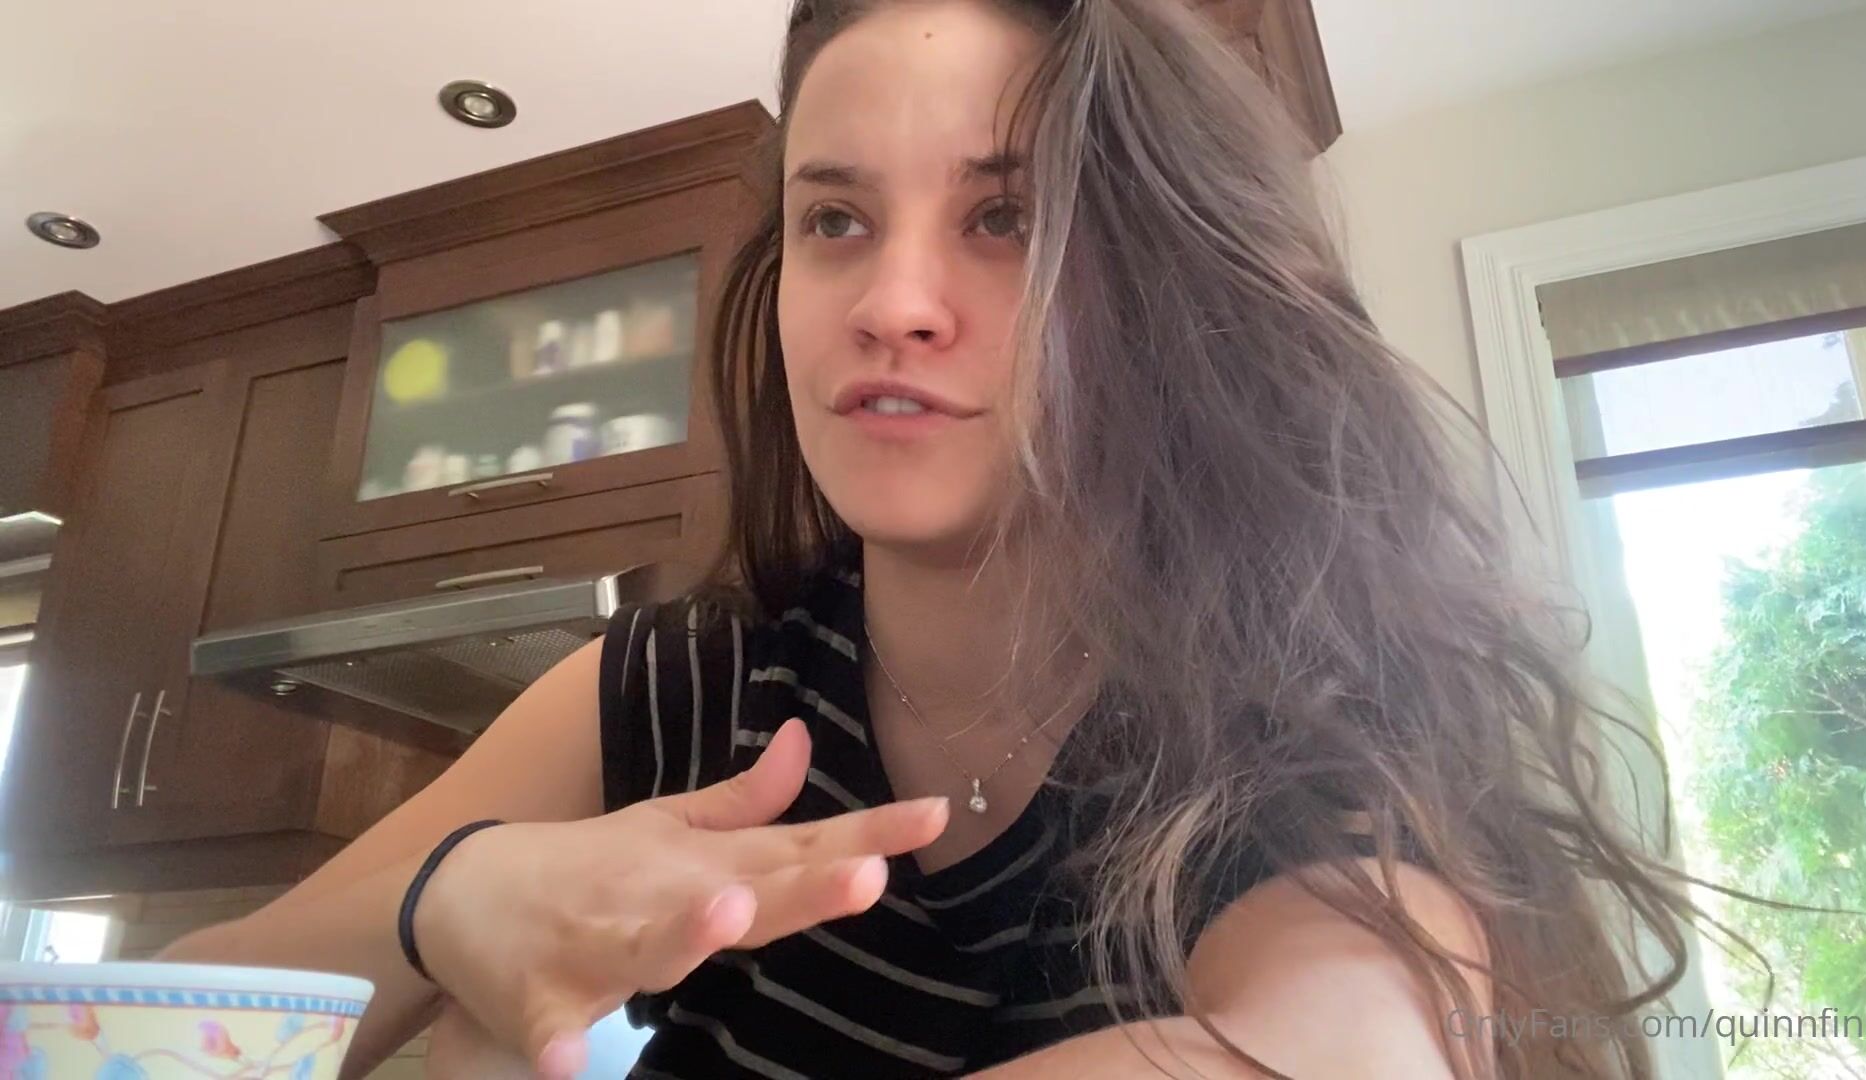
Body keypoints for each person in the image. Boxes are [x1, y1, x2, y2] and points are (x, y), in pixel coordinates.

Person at [164, 1, 1709, 1076]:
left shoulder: (1302, 737)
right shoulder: (674, 691)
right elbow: (148, 1023)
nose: (892, 302)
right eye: (835, 220)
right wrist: (448, 900)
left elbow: (1346, 1048)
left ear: (1164, 288)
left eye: (1005, 217)